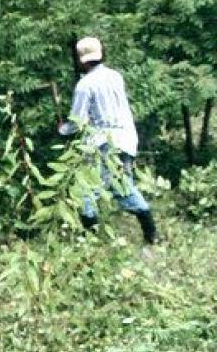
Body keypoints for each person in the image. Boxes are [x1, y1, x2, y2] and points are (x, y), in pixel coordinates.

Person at [58, 35, 157, 245]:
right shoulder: (115, 76)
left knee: (87, 191)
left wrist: (62, 129)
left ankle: (91, 244)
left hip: (103, 143)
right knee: (124, 188)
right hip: (127, 139)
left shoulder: (84, 85)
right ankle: (152, 237)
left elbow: (77, 122)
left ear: (80, 60)